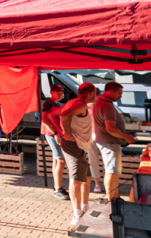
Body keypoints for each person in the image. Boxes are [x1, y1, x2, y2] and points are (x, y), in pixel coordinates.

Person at [60, 83, 98, 225]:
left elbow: (55, 114)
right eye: (95, 93)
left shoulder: (76, 103)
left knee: (87, 178)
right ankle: (76, 215)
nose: (95, 95)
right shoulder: (80, 104)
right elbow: (64, 114)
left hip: (79, 147)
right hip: (74, 146)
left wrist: (60, 131)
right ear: (90, 93)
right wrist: (66, 133)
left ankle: (84, 208)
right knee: (75, 180)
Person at [94, 81, 137, 201]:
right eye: (119, 93)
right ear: (111, 91)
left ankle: (113, 196)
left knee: (111, 171)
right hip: (110, 143)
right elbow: (110, 128)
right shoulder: (107, 105)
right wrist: (126, 137)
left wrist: (123, 134)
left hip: (106, 141)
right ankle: (112, 198)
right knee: (112, 172)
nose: (121, 96)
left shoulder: (100, 101)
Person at [41, 83, 70, 200]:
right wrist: (55, 134)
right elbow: (45, 120)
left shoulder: (56, 104)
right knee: (61, 160)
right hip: (51, 134)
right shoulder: (48, 103)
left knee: (57, 160)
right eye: (59, 93)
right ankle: (58, 189)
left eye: (62, 93)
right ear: (51, 93)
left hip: (55, 133)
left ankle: (56, 187)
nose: (61, 95)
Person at [86, 87, 105, 194]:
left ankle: (106, 183)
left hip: (102, 137)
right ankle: (97, 184)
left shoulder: (102, 106)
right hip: (91, 137)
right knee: (93, 161)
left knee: (105, 161)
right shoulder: (85, 107)